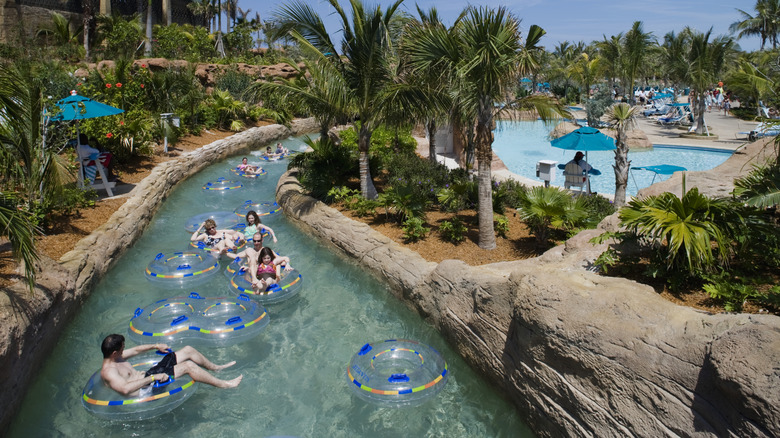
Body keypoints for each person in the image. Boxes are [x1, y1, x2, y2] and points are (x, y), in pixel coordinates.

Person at [100, 334, 242, 396]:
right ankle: (225, 384)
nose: (124, 350)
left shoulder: (116, 357)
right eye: (122, 348)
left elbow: (137, 350)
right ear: (114, 352)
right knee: (188, 366)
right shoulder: (109, 371)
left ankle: (215, 368)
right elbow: (125, 389)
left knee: (188, 350)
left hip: (149, 375)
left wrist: (156, 345)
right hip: (147, 389)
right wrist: (153, 378)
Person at [226, 232, 292, 271]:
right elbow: (236, 256)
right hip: (251, 272)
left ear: (262, 240)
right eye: (254, 241)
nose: (256, 243)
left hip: (263, 273)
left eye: (258, 241)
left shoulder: (266, 251)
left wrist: (287, 265)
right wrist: (226, 253)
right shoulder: (249, 251)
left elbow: (281, 259)